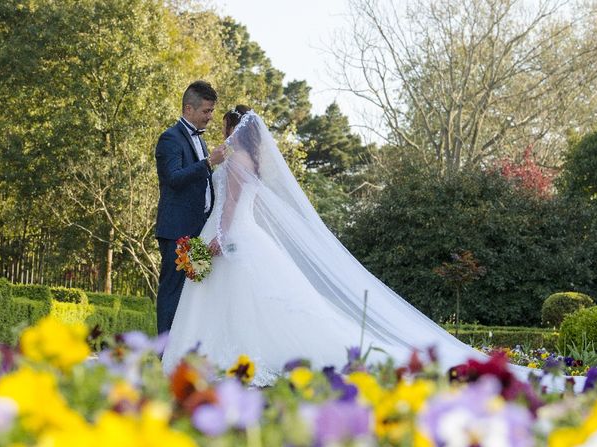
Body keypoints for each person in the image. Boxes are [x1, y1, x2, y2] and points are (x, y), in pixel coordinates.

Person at [161, 106, 571, 389]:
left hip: (234, 237)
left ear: (235, 130)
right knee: (256, 299)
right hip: (246, 237)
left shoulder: (234, 162)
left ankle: (225, 355)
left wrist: (219, 239)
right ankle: (238, 354)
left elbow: (231, 206)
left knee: (242, 298)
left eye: (225, 126)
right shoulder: (251, 163)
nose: (221, 132)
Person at [154, 81, 226, 335]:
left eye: (211, 111)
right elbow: (173, 178)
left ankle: (181, 354)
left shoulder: (200, 141)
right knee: (172, 293)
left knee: (191, 296)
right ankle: (164, 355)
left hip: (198, 230)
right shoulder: (169, 138)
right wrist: (208, 163)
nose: (210, 116)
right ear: (189, 108)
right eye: (206, 111)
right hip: (177, 229)